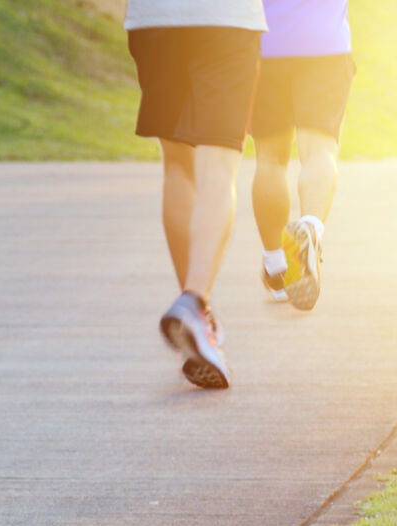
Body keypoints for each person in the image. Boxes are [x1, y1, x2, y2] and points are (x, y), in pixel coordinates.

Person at [124, 0, 267, 390]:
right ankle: (194, 301)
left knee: (177, 164)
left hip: (154, 20)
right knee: (219, 166)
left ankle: (195, 314)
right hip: (225, 19)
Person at [249, 0, 354, 312]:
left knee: (269, 160)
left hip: (264, 43)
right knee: (319, 151)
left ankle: (277, 265)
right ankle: (310, 226)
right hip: (326, 43)